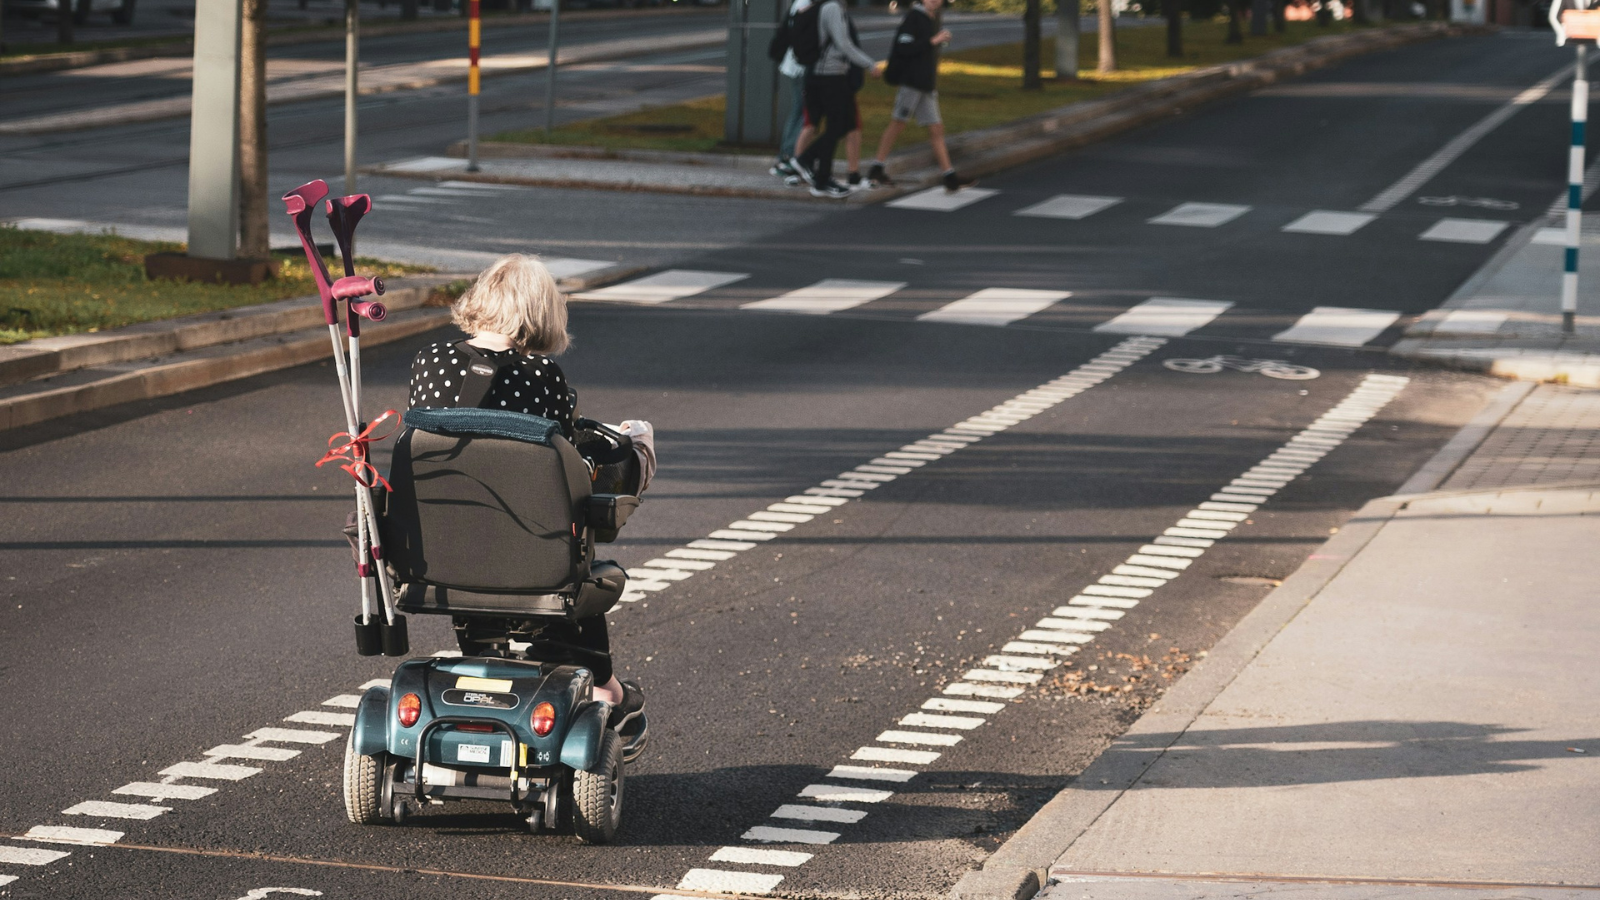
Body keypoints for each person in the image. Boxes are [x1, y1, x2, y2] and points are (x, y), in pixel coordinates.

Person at [407, 254, 654, 709]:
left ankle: (482, 661)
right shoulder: (541, 376)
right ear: (541, 313)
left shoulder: (430, 361)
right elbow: (566, 461)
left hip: (442, 548)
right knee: (585, 569)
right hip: (530, 550)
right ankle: (606, 689)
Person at [866, 0, 976, 193]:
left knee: (936, 129)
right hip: (912, 83)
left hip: (926, 84)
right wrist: (933, 40)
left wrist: (937, 40)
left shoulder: (929, 18)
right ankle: (876, 168)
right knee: (898, 122)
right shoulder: (914, 17)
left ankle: (949, 176)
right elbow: (904, 48)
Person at [793, 0, 879, 199]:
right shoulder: (831, 7)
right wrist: (870, 64)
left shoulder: (834, 7)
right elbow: (843, 43)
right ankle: (811, 167)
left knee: (846, 125)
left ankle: (820, 177)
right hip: (828, 77)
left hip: (835, 76)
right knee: (837, 126)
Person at [770, 0, 813, 181]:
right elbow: (799, 34)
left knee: (798, 111)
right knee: (803, 112)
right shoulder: (804, 4)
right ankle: (788, 157)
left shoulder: (801, 2)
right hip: (799, 66)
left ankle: (786, 156)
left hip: (795, 64)